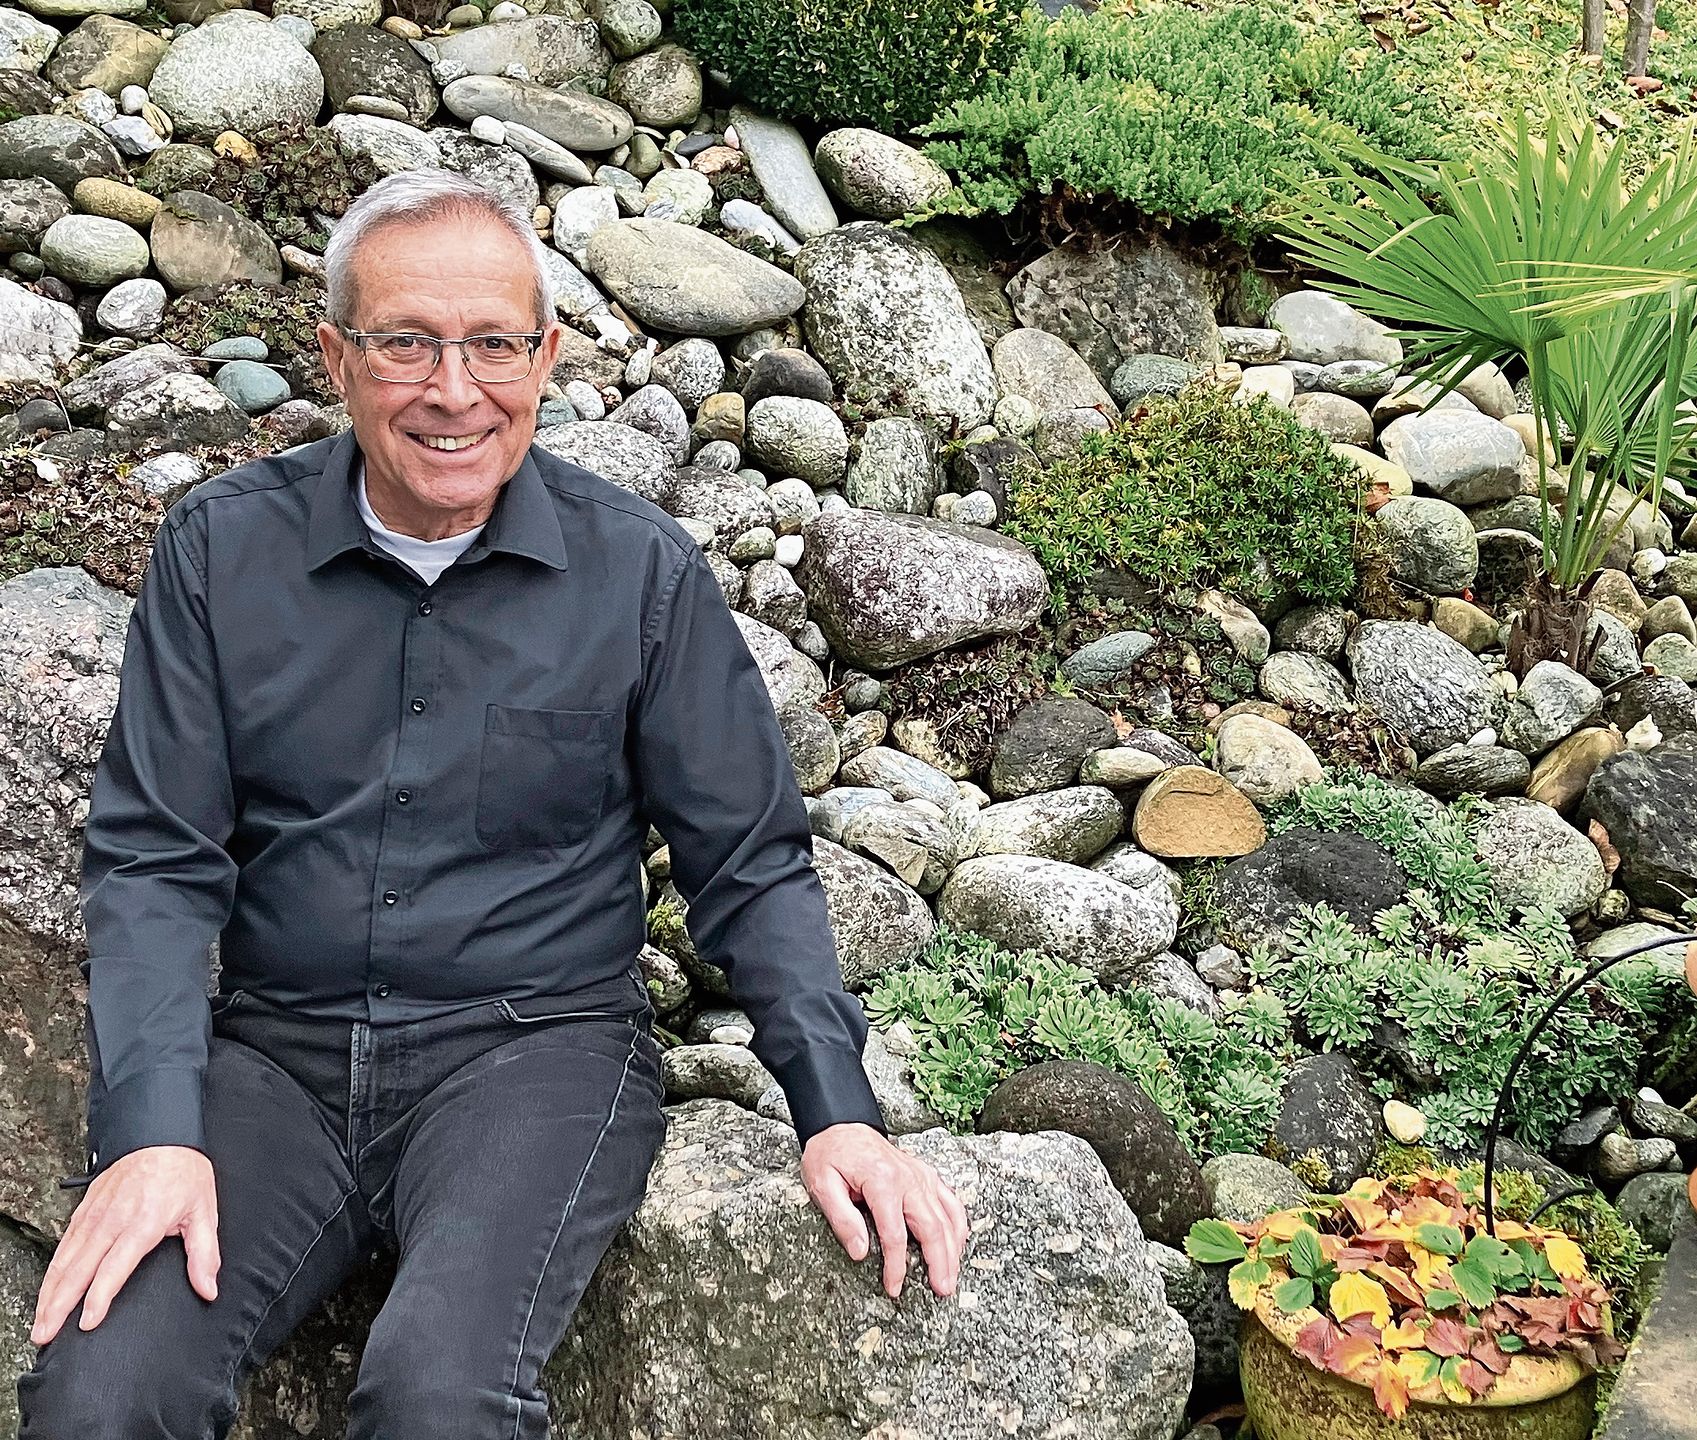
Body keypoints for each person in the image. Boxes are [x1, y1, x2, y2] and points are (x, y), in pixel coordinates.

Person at [17, 168, 968, 1439]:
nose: (453, 390)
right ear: (335, 357)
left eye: (493, 345)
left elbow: (745, 860)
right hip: (273, 1061)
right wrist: (150, 1131)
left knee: (440, 1398)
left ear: (547, 355)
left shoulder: (639, 575)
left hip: (534, 1058)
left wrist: (836, 1112)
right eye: (406, 342)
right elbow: (151, 860)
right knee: (98, 1385)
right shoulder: (218, 551)